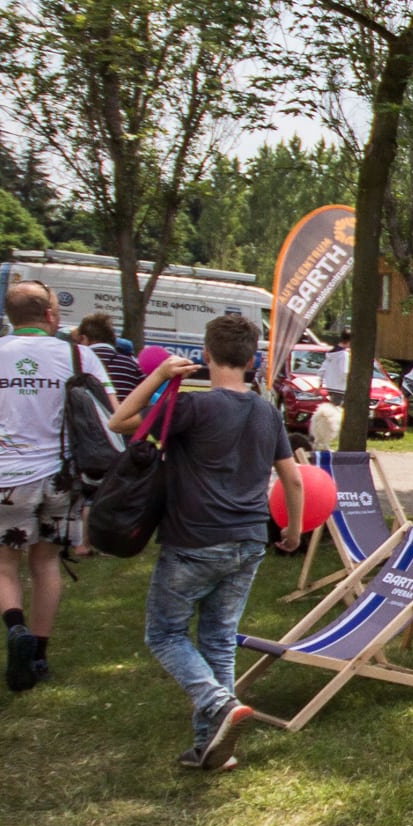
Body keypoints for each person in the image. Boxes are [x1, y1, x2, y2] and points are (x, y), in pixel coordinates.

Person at [106, 311, 306, 772]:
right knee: (217, 638)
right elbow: (292, 480)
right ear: (253, 358)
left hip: (194, 539)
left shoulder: (192, 409)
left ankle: (216, 704)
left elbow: (121, 420)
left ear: (206, 355)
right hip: (249, 539)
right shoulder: (266, 411)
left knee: (165, 632)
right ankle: (212, 747)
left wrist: (157, 373)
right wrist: (292, 532)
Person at [0, 280, 105, 691]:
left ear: (10, 316)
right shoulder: (79, 355)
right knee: (45, 563)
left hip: (5, 475)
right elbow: (108, 414)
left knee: (0, 563)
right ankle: (40, 655)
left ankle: (15, 627)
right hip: (61, 475)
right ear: (50, 314)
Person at [72, 313, 145, 399]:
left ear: (84, 338)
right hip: (124, 411)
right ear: (112, 337)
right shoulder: (133, 365)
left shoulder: (76, 363)